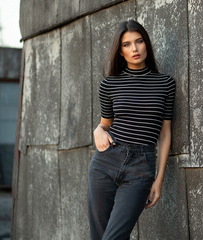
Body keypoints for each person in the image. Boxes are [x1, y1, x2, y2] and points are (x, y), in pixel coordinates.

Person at [87, 19, 176, 240]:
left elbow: (164, 133)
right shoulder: (109, 84)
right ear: (120, 52)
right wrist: (97, 131)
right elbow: (105, 123)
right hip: (105, 163)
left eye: (139, 41)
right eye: (127, 44)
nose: (134, 49)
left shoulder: (165, 84)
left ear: (147, 44)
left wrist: (159, 179)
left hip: (141, 168)